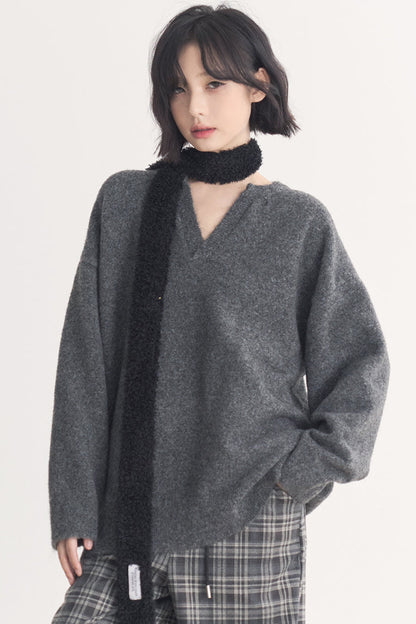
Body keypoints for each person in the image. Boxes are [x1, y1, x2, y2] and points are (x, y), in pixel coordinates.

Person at [48, 4, 390, 624]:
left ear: (258, 85)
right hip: (129, 517)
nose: (195, 108)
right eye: (179, 88)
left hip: (247, 519)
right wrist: (73, 500)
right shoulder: (126, 202)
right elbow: (84, 361)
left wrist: (294, 478)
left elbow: (359, 364)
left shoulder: (298, 223)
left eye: (214, 84)